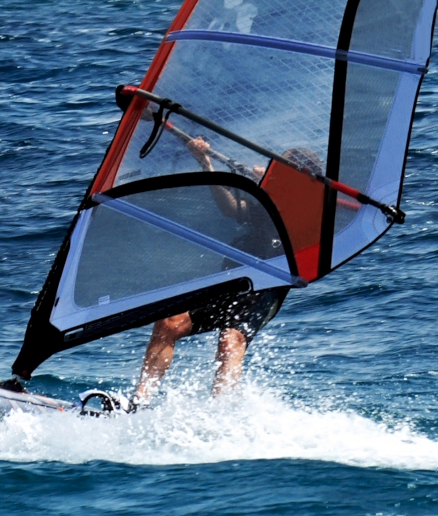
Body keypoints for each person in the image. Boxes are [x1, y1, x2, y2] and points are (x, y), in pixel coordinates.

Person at [131, 136, 320, 404]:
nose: (273, 168)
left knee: (231, 341)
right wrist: (206, 163)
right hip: (237, 278)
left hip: (267, 288)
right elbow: (232, 209)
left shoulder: (311, 208)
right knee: (169, 323)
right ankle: (139, 401)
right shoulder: (267, 199)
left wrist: (270, 183)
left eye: (282, 166)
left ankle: (219, 414)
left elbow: (307, 212)